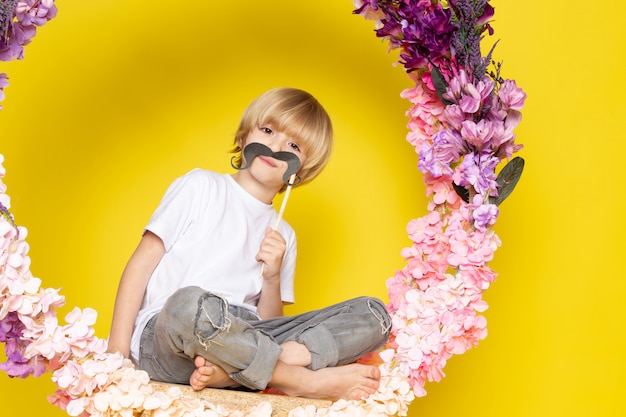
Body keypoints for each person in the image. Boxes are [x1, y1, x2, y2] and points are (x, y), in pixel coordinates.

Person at [107, 87, 391, 401]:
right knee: (188, 303)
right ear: (244, 136)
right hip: (172, 337)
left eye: (293, 145)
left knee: (374, 315)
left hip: (249, 336)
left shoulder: (285, 235)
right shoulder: (200, 186)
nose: (275, 146)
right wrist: (117, 353)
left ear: (301, 170)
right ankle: (299, 380)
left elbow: (270, 324)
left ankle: (229, 373)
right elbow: (141, 264)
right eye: (268, 130)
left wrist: (272, 276)